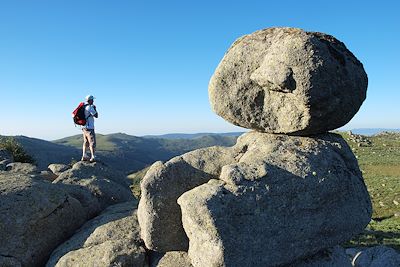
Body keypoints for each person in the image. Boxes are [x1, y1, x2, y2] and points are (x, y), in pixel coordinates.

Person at [81, 94, 98, 162]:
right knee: (92, 142)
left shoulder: (84, 107)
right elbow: (96, 115)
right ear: (90, 100)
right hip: (89, 127)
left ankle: (84, 155)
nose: (93, 101)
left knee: (86, 142)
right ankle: (93, 156)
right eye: (92, 100)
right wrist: (95, 109)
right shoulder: (90, 107)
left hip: (84, 127)